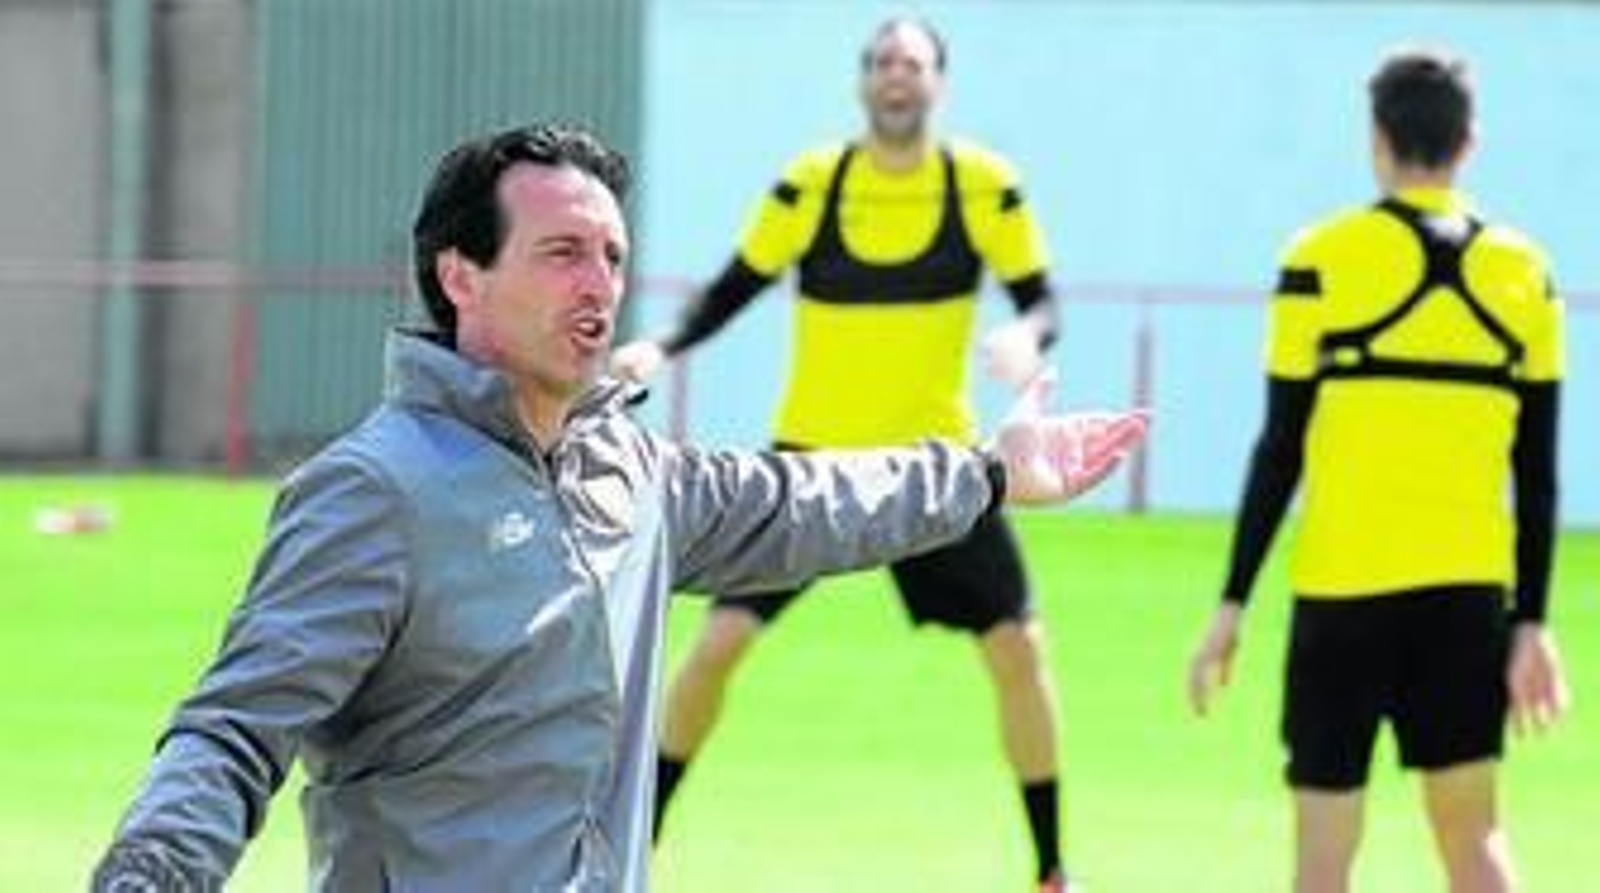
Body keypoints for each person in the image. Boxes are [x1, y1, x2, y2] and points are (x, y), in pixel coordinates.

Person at [90, 123, 1146, 892]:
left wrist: (991, 472)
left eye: (611, 257)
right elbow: (231, 732)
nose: (599, 284)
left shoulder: (633, 475)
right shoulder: (373, 490)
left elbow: (810, 498)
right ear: (459, 273)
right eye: (561, 253)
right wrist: (147, 876)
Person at [610, 17, 1081, 892]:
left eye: (913, 63)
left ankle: (1053, 867)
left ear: (939, 80)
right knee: (715, 643)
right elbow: (732, 288)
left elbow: (1043, 301)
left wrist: (1024, 333)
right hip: (811, 462)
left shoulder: (984, 185)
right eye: (882, 63)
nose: (896, 77)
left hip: (939, 465)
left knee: (1018, 646)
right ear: (863, 81)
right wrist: (659, 349)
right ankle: (638, 841)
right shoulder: (815, 183)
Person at [1186, 47, 1568, 893]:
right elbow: (1537, 471)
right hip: (1468, 597)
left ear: (1377, 140)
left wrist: (1232, 601)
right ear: (1469, 142)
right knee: (1475, 843)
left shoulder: (1319, 258)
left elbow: (1278, 446)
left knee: (1323, 863)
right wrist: (1531, 622)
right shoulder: (1527, 273)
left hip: (1341, 594)